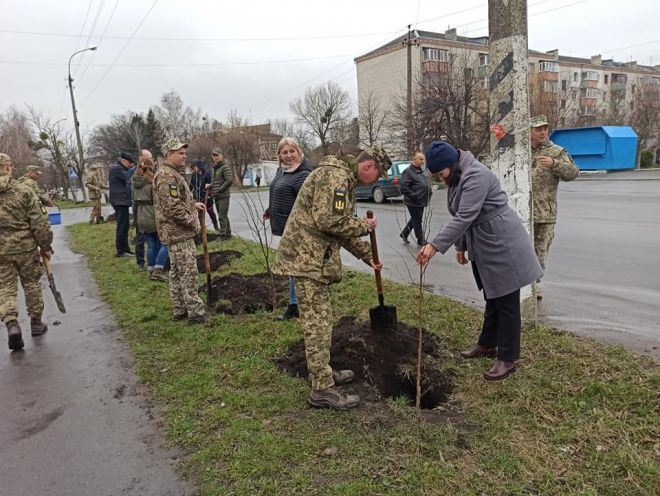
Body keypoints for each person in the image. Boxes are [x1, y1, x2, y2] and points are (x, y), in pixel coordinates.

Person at [274, 145, 391, 410]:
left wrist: (366, 256)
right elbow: (328, 221)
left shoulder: (341, 177)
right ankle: (322, 389)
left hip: (313, 259)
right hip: (307, 259)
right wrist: (364, 226)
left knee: (323, 321)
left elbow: (337, 226)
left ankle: (323, 373)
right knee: (317, 323)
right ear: (369, 166)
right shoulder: (336, 177)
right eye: (380, 174)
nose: (378, 180)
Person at [416, 140, 542, 381]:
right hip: (483, 241)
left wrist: (434, 245)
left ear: (451, 164)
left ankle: (507, 358)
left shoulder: (475, 175)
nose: (441, 179)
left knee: (506, 302)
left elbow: (465, 216)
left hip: (501, 242)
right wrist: (461, 245)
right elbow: (463, 215)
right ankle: (487, 344)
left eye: (441, 173)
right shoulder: (456, 176)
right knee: (492, 296)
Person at [0, 153, 54, 350]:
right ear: (7, 167)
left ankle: (12, 323)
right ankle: (36, 323)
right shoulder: (24, 191)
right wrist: (46, 245)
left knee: (5, 287)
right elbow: (39, 223)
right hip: (26, 247)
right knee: (31, 284)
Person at [153, 138, 207, 324]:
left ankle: (179, 309)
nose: (184, 156)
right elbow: (173, 208)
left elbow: (178, 201)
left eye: (185, 153)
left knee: (176, 273)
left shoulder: (171, 173)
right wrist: (192, 222)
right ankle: (196, 313)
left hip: (175, 233)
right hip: (179, 233)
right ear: (169, 154)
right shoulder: (168, 176)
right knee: (189, 274)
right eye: (180, 153)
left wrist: (192, 205)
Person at [263, 137, 313, 321]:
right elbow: (277, 192)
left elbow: (308, 203)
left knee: (296, 266)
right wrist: (271, 210)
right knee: (293, 266)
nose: (289, 155)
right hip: (285, 226)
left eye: (292, 151)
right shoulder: (282, 171)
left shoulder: (303, 174)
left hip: (298, 229)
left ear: (299, 151)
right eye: (285, 152)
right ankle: (296, 303)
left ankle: (297, 305)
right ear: (279, 155)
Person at [530, 115, 579, 299]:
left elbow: (573, 172)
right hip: (522, 213)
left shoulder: (556, 151)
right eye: (538, 129)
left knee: (539, 253)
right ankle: (522, 285)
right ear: (530, 132)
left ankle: (535, 285)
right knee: (521, 251)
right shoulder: (521, 151)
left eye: (545, 128)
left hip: (545, 214)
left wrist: (555, 164)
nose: (542, 132)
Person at [131, 157, 169, 282]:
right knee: (165, 242)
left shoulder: (134, 182)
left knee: (151, 244)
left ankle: (151, 269)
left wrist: (135, 219)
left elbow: (134, 201)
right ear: (150, 166)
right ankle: (158, 269)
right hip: (152, 213)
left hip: (141, 215)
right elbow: (158, 199)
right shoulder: (151, 181)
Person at [399, 151, 432, 247]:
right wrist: (414, 195)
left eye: (423, 160)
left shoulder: (421, 171)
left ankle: (404, 233)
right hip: (413, 201)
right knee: (417, 220)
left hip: (421, 200)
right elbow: (403, 187)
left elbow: (424, 184)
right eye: (420, 159)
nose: (422, 161)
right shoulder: (408, 171)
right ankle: (420, 240)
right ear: (414, 159)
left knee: (415, 219)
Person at [127, 150, 151, 271]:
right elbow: (129, 190)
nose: (149, 160)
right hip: (139, 206)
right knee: (141, 235)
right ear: (140, 157)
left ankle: (153, 263)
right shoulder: (132, 172)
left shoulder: (152, 171)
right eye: (147, 157)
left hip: (148, 207)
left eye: (150, 157)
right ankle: (140, 262)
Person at [109, 151, 136, 257]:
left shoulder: (118, 167)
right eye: (129, 163)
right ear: (124, 161)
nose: (130, 166)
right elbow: (129, 178)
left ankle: (126, 249)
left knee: (125, 226)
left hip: (121, 201)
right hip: (119, 201)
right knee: (122, 226)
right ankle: (121, 251)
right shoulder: (117, 169)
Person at [209, 148, 233, 239]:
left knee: (222, 216)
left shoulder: (225, 167)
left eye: (217, 155)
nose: (215, 157)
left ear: (222, 155)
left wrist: (220, 189)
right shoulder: (216, 168)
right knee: (223, 215)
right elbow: (216, 181)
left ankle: (223, 235)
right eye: (213, 155)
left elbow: (229, 180)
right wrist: (210, 185)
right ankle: (228, 233)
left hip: (223, 195)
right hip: (217, 195)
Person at [189, 160, 219, 231]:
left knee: (211, 212)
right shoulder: (194, 175)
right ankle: (201, 228)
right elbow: (191, 186)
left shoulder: (207, 174)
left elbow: (212, 184)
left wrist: (209, 185)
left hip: (206, 197)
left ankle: (216, 226)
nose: (194, 168)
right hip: (197, 197)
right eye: (193, 167)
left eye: (195, 166)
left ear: (200, 166)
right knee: (199, 214)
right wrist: (189, 192)